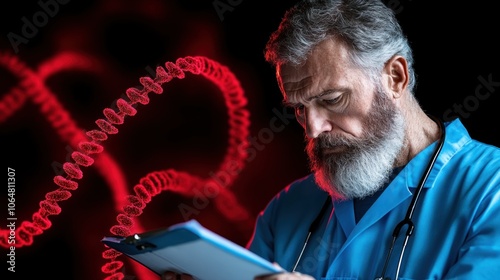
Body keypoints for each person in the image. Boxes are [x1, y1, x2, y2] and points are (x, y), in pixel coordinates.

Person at [162, 0, 500, 279]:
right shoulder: (286, 210)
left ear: (395, 77)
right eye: (299, 108)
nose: (312, 128)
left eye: (333, 99)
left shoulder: (490, 188)